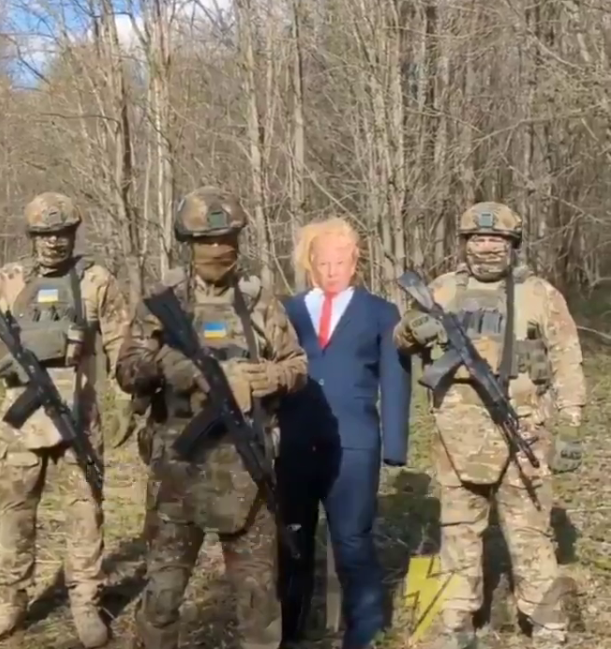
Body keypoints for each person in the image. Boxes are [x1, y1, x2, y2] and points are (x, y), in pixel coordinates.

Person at [114, 186, 308, 649]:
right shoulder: (163, 303)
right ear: (188, 244)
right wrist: (168, 365)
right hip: (177, 471)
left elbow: (298, 365)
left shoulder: (259, 302)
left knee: (258, 599)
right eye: (207, 241)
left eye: (227, 240)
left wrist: (272, 377)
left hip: (246, 471)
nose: (218, 249)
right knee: (163, 593)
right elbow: (127, 370)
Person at [392, 202, 587, 649]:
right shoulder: (442, 290)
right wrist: (415, 329)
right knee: (458, 529)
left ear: (512, 244)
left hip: (524, 432)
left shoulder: (539, 294)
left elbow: (567, 361)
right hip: (456, 436)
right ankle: (456, 621)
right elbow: (401, 339)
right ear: (465, 244)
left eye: (496, 239)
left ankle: (546, 623)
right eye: (478, 239)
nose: (487, 248)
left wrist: (572, 425)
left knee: (531, 532)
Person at [0, 192, 131, 648]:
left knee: (85, 510)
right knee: (15, 511)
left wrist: (126, 400)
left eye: (62, 233)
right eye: (44, 234)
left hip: (78, 414)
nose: (54, 242)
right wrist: (5, 355)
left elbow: (121, 343)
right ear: (32, 236)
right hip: (21, 418)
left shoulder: (96, 280)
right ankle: (10, 605)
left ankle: (85, 602)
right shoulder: (9, 280)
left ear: (73, 234)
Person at [276, 217, 412, 649]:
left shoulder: (381, 313)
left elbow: (395, 381)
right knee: (292, 538)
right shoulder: (287, 312)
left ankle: (364, 631)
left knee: (353, 540)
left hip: (354, 445)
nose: (332, 270)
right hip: (293, 444)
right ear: (310, 264)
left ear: (355, 263)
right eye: (323, 262)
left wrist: (395, 445)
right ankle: (288, 629)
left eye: (340, 261)